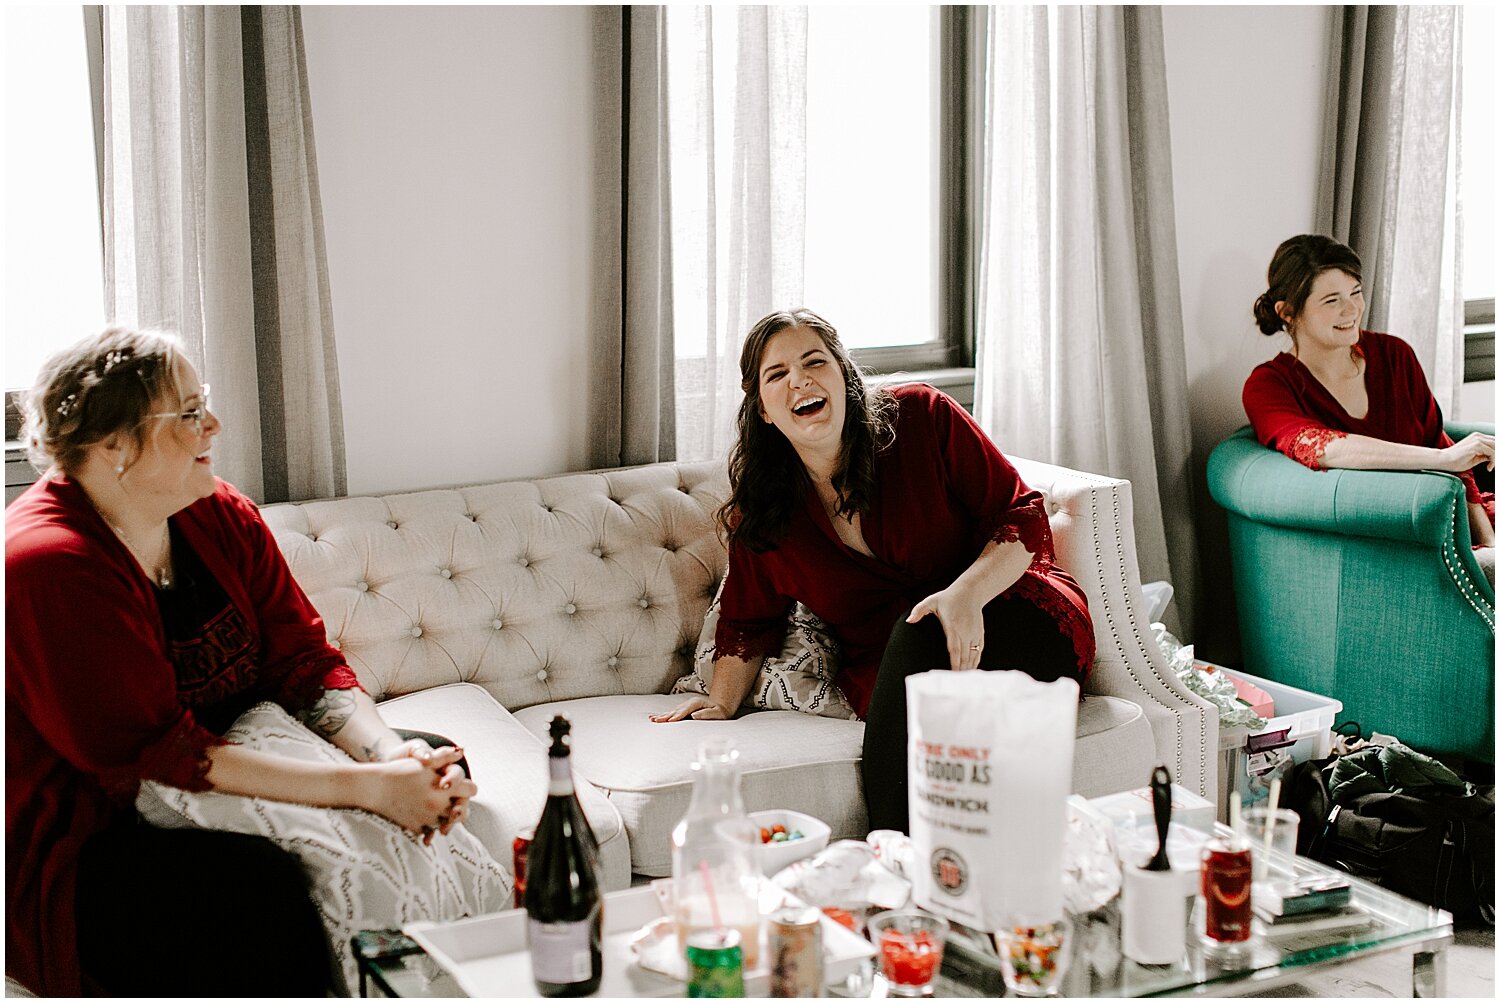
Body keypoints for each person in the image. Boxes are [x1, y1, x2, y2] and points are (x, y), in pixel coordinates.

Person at [5, 327, 479, 997]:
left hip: (228, 753)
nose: (216, 424)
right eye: (190, 413)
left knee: (437, 762)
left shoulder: (217, 512)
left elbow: (306, 663)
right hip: (92, 832)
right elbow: (159, 755)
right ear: (113, 445)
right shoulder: (47, 565)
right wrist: (370, 789)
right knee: (259, 886)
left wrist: (385, 756)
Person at [651, 308, 1095, 833]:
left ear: (844, 375)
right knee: (918, 648)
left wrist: (964, 596)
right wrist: (721, 702)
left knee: (923, 625)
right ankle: (930, 863)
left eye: (815, 362)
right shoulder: (766, 515)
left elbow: (1021, 514)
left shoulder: (923, 418)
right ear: (764, 410)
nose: (801, 380)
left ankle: (891, 848)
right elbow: (749, 622)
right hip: (903, 672)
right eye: (778, 375)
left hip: (1017, 618)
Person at [1242, 234, 1496, 577]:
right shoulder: (1269, 386)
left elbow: (1446, 450)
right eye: (1332, 300)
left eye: (1356, 292)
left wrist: (1489, 545)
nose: (1351, 310)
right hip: (1378, 554)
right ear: (1288, 312)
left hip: (1457, 531)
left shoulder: (1394, 355)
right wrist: (1442, 460)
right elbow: (1324, 448)